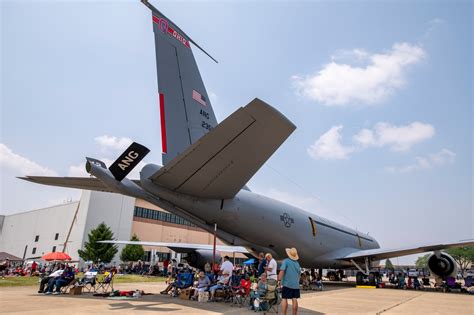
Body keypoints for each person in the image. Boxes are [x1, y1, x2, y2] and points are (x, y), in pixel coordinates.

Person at [278, 247, 301, 315]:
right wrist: (296, 282)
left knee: (284, 298)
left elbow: (282, 271)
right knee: (294, 299)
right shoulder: (297, 263)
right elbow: (299, 275)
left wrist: (279, 280)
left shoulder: (286, 261)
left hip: (287, 284)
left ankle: (284, 314)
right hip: (296, 285)